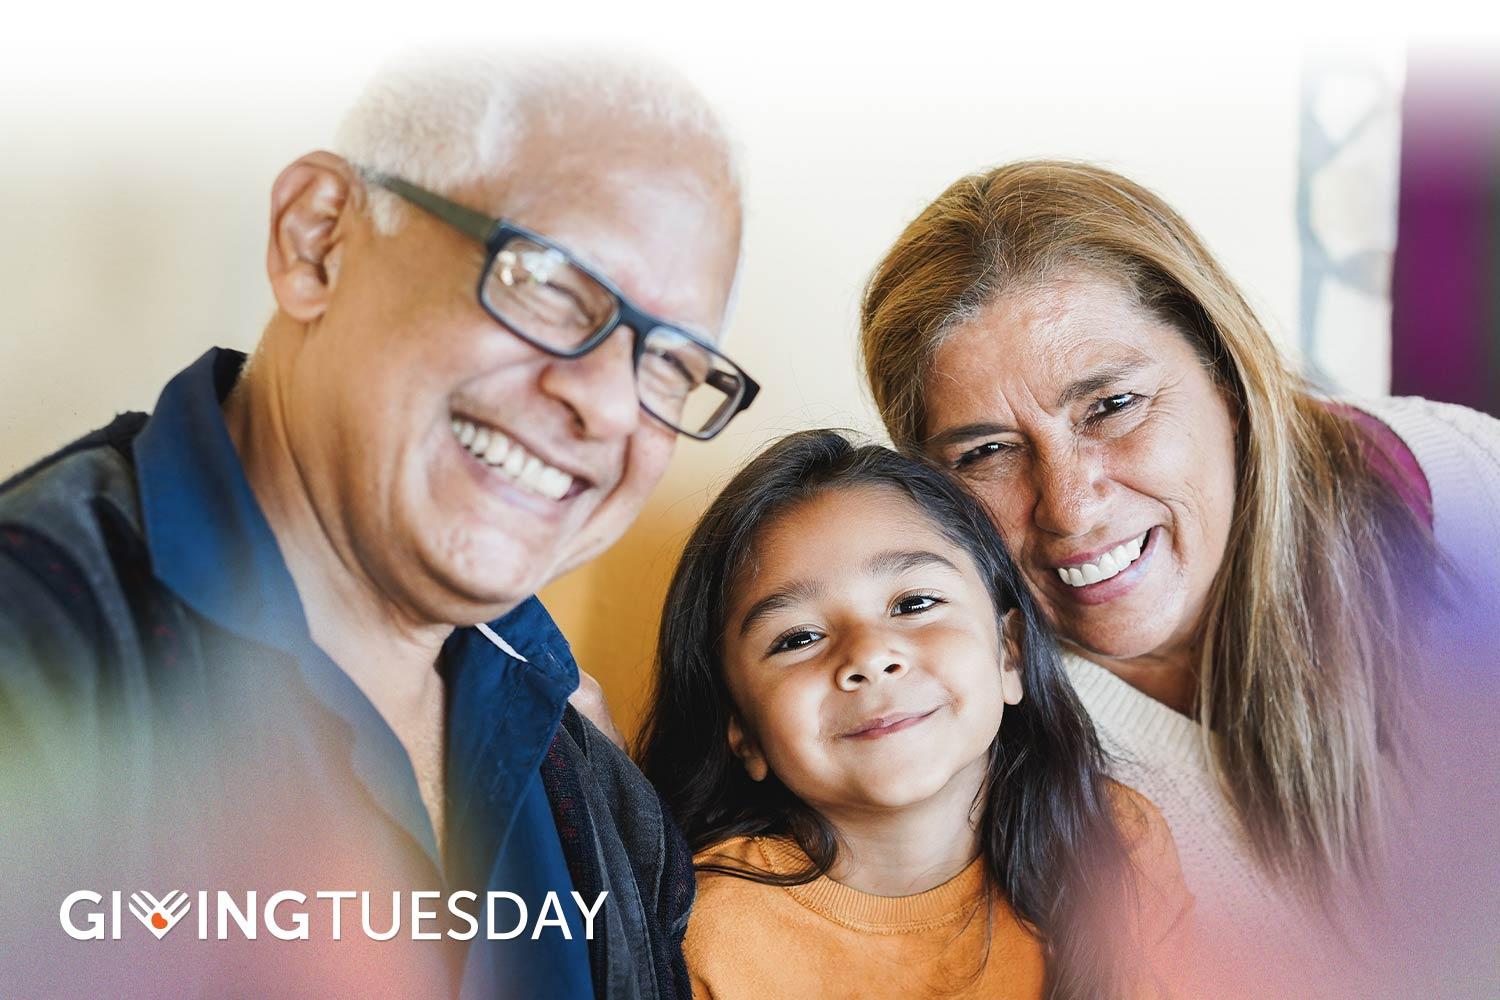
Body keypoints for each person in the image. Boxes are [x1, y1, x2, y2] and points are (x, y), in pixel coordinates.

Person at [0, 51, 753, 999]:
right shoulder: (32, 651)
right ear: (318, 240)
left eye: (672, 364)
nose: (606, 407)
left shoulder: (602, 806)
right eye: (552, 286)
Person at [859, 159, 1500, 988]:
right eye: (986, 453)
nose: (1070, 507)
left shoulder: (1463, 489)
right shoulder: (959, 732)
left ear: (1227, 377)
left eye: (1112, 406)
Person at [637, 429, 1193, 999]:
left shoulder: (1114, 840)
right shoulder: (702, 931)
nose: (869, 656)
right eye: (798, 637)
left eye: (914, 604)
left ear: (1010, 653)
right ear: (743, 732)